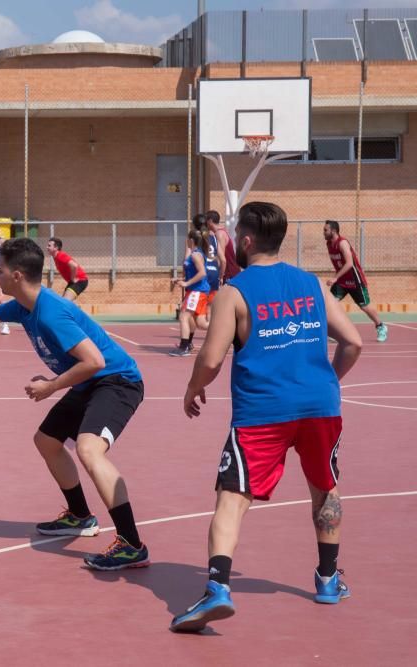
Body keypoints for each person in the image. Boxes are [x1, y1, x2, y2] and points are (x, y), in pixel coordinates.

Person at [169, 202, 362, 633]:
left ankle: (218, 586)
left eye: (237, 232)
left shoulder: (235, 292)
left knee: (232, 498)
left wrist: (192, 388)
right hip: (320, 407)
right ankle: (328, 581)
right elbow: (352, 342)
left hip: (263, 412)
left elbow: (212, 357)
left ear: (249, 240)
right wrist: (327, 382)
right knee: (324, 488)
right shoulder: (312, 284)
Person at [0, 238, 150, 570]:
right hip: (89, 381)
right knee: (47, 441)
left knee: (88, 449)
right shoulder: (23, 306)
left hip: (117, 381)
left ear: (16, 275)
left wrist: (51, 387)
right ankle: (80, 516)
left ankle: (132, 543)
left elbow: (95, 361)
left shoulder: (50, 312)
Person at [323, 220, 388, 343]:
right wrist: (337, 278)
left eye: (326, 230)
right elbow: (339, 263)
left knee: (365, 306)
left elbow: (349, 263)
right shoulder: (329, 244)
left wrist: (335, 277)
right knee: (329, 304)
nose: (324, 232)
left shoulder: (342, 243)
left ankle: (381, 326)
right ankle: (333, 332)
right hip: (341, 281)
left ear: (334, 231)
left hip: (354, 280)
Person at [169, 229, 212, 356]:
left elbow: (202, 273)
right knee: (201, 323)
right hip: (196, 290)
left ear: (191, 241)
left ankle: (184, 347)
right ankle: (228, 329)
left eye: (187, 239)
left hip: (197, 291)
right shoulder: (195, 254)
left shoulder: (195, 255)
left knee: (183, 316)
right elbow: (195, 274)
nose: (186, 241)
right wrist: (181, 280)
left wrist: (187, 283)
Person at [191, 214, 221, 317]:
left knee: (191, 310)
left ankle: (192, 329)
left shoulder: (195, 236)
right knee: (209, 307)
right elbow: (221, 259)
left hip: (203, 273)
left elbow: (189, 255)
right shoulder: (214, 236)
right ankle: (211, 329)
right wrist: (220, 275)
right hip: (214, 273)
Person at [45, 237, 89, 302]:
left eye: (49, 246)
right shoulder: (56, 257)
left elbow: (74, 266)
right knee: (63, 303)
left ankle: (75, 310)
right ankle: (74, 308)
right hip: (73, 282)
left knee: (65, 303)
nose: (47, 247)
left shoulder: (60, 256)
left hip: (80, 281)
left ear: (56, 248)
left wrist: (73, 278)